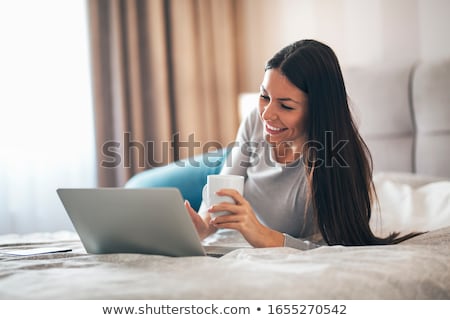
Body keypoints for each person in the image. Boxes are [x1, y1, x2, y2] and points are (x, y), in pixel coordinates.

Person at [184, 39, 419, 249]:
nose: (266, 114)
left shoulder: (336, 164)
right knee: (151, 189)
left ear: (318, 111)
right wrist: (204, 226)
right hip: (221, 163)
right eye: (264, 96)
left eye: (285, 106)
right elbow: (223, 192)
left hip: (235, 163)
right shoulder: (256, 121)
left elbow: (340, 249)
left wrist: (263, 235)